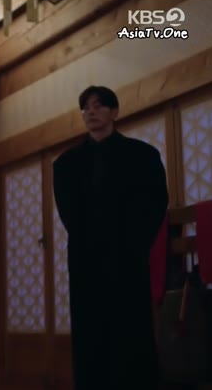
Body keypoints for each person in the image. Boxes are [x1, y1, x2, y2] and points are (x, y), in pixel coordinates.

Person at [53, 85, 169, 390]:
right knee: (90, 333)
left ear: (114, 111)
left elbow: (155, 204)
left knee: (132, 330)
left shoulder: (143, 156)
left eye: (98, 105)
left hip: (129, 257)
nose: (90, 112)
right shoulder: (65, 164)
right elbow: (70, 214)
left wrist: (135, 244)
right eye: (86, 107)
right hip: (86, 260)